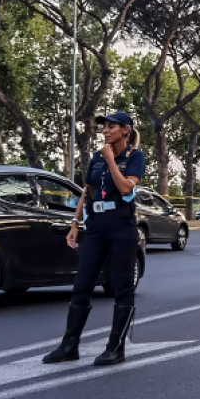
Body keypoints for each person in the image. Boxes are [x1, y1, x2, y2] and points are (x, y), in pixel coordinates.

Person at [44, 111, 145, 367]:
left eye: (111, 127)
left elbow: (125, 188)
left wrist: (111, 160)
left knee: (122, 286)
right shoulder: (95, 159)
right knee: (82, 283)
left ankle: (115, 347)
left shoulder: (135, 158)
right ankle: (69, 345)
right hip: (97, 226)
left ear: (126, 130)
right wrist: (75, 222)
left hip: (122, 225)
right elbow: (87, 192)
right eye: (104, 127)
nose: (105, 131)